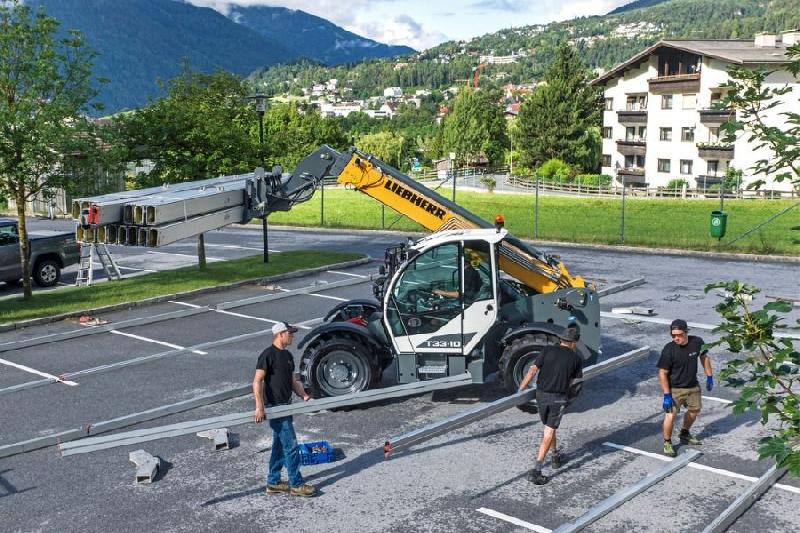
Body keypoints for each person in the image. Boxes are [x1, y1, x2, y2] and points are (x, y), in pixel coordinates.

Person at [252, 321, 316, 497]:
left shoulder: (288, 356)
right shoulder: (268, 355)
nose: (292, 336)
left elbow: (292, 381)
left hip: (286, 405)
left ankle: (273, 482)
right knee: (291, 446)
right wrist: (259, 407)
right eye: (290, 333)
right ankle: (296, 484)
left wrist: (304, 395)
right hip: (275, 407)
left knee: (280, 445)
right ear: (280, 334)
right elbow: (257, 381)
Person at [518, 325, 584, 485]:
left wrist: (520, 390)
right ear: (574, 343)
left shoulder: (547, 350)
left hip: (540, 395)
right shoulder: (576, 359)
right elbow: (576, 384)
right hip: (558, 398)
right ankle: (537, 470)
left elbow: (532, 370)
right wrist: (569, 399)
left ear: (562, 339)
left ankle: (555, 456)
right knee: (548, 431)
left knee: (549, 427)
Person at [657, 318, 713, 457]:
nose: (676, 338)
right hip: (674, 390)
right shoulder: (669, 350)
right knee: (670, 416)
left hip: (692, 386)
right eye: (673, 335)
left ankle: (684, 433)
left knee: (694, 411)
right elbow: (662, 373)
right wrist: (666, 395)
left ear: (686, 332)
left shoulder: (697, 342)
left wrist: (709, 376)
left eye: (679, 335)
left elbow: (704, 357)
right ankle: (667, 442)